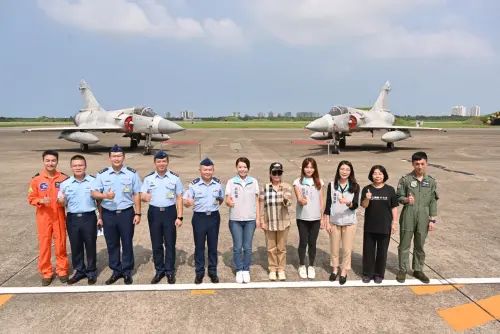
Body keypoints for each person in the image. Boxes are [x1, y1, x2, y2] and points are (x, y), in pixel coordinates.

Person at [91, 145, 142, 285]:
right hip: (108, 214)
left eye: (119, 156)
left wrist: (138, 213)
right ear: (109, 158)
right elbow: (94, 193)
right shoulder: (102, 174)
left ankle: (127, 271)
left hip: (126, 213)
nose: (117, 158)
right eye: (114, 156)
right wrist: (104, 195)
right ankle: (116, 270)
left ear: (123, 157)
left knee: (127, 243)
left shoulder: (132, 174)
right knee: (112, 244)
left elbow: (136, 194)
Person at [141, 150, 184, 285]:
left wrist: (180, 216)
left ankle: (170, 271)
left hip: (170, 212)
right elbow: (142, 195)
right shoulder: (149, 178)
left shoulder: (175, 178)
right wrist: (144, 197)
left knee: (170, 243)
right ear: (155, 163)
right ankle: (159, 270)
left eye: (164, 161)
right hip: (154, 213)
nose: (161, 164)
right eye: (159, 161)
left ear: (167, 162)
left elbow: (179, 197)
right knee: (156, 243)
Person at [57, 155, 101, 285]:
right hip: (72, 218)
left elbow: (99, 201)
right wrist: (61, 201)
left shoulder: (94, 181)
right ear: (71, 167)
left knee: (90, 245)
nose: (78, 168)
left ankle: (91, 271)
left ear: (85, 166)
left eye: (80, 165)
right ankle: (80, 271)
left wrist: (101, 217)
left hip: (89, 217)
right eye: (75, 165)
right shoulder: (65, 184)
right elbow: (61, 203)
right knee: (76, 246)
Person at [396, 151, 439, 284]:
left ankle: (418, 269)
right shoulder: (405, 179)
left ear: (426, 163)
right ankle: (403, 269)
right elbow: (398, 197)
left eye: (422, 164)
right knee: (404, 244)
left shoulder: (431, 181)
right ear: (413, 164)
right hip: (409, 212)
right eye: (417, 164)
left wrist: (432, 219)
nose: (419, 166)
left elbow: (433, 201)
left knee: (420, 243)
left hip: (424, 215)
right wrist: (406, 200)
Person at [28, 150, 69, 286]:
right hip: (44, 216)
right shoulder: (36, 179)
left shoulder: (64, 179)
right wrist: (40, 200)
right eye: (47, 161)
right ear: (43, 161)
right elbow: (31, 198)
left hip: (59, 216)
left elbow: (70, 196)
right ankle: (46, 272)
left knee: (61, 244)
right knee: (44, 246)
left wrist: (64, 201)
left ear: (57, 162)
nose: (50, 163)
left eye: (53, 161)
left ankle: (62, 271)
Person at [183, 158, 224, 284]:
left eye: (210, 170)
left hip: (213, 217)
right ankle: (199, 272)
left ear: (213, 170)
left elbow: (221, 198)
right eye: (205, 169)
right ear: (200, 170)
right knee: (199, 246)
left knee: (213, 246)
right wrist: (188, 203)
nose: (207, 172)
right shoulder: (193, 185)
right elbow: (185, 201)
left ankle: (213, 272)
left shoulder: (218, 184)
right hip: (199, 218)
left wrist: (215, 205)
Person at [360, 165, 399, 284]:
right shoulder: (367, 189)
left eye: (380, 173)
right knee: (368, 251)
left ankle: (379, 274)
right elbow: (364, 205)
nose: (377, 176)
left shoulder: (390, 190)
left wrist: (394, 223)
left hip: (384, 225)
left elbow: (394, 207)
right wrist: (367, 198)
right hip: (370, 226)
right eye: (375, 173)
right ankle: (368, 273)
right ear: (371, 175)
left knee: (382, 251)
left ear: (384, 175)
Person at [324, 160, 360, 285]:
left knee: (346, 249)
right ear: (338, 170)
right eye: (342, 169)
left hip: (349, 222)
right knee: (334, 248)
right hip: (334, 221)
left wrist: (347, 203)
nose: (344, 172)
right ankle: (334, 269)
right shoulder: (332, 185)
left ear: (351, 172)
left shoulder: (355, 186)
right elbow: (328, 204)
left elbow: (355, 204)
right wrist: (327, 222)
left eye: (347, 170)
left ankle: (344, 271)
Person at [225, 157, 260, 284]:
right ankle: (239, 269)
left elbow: (257, 201)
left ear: (248, 168)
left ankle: (246, 269)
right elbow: (227, 199)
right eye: (240, 167)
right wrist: (228, 202)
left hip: (250, 219)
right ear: (236, 168)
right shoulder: (231, 182)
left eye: (245, 167)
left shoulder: (254, 182)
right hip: (235, 219)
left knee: (248, 247)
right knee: (237, 247)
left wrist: (258, 218)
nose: (242, 169)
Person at [293, 158, 325, 280]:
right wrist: (301, 201)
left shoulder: (319, 182)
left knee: (313, 243)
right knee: (303, 242)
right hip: (303, 217)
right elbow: (299, 198)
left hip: (316, 218)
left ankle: (311, 265)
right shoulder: (297, 182)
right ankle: (302, 265)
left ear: (315, 169)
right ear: (303, 168)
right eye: (307, 167)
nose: (309, 169)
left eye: (311, 167)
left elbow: (322, 200)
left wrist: (322, 217)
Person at [260, 162, 293, 281]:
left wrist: (285, 198)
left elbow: (288, 204)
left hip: (283, 222)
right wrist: (262, 220)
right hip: (269, 222)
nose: (277, 175)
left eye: (279, 172)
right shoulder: (265, 187)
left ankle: (281, 269)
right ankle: (273, 269)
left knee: (282, 248)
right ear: (270, 173)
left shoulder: (287, 186)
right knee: (271, 248)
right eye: (274, 172)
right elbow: (262, 205)